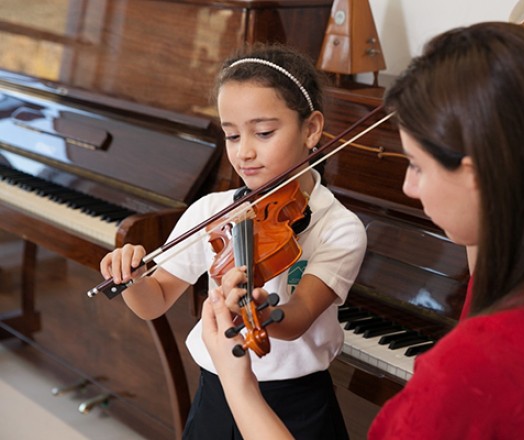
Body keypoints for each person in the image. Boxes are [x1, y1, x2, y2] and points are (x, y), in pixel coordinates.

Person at [200, 21, 524, 439]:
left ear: (479, 175)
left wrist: (239, 387)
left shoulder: (471, 370)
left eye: (418, 166)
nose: (408, 186)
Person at [99, 43, 367, 439]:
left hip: (295, 404)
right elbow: (153, 303)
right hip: (217, 389)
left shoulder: (338, 227)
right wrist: (132, 278)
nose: (244, 152)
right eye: (231, 135)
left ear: (311, 129)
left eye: (263, 132)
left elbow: (299, 319)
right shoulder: (215, 212)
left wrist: (256, 311)